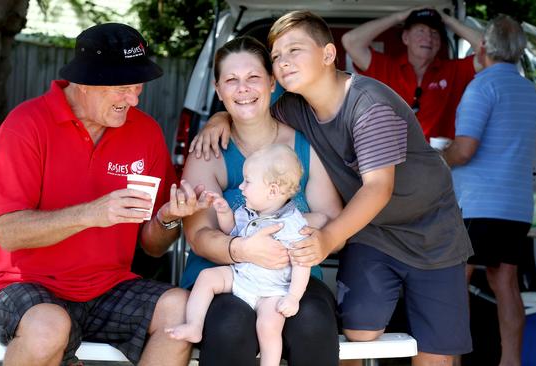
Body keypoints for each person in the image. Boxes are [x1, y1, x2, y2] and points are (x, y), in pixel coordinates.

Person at [191, 11, 474, 366]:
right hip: (371, 231)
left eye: (295, 50)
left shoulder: (369, 105)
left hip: (432, 231)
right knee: (357, 333)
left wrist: (326, 239)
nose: (283, 62)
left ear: (328, 55)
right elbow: (250, 109)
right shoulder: (294, 107)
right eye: (276, 56)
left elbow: (377, 189)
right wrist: (218, 118)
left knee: (436, 351)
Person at [0, 23, 206, 366]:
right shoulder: (26, 125)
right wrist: (91, 214)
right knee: (49, 326)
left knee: (182, 310)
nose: (134, 98)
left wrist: (168, 218)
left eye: (138, 86)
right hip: (22, 285)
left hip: (107, 288)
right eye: (123, 88)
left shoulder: (145, 132)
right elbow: (8, 233)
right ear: (84, 83)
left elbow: (153, 246)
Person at [180, 36, 343, 366]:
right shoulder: (209, 150)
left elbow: (332, 221)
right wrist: (243, 249)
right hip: (225, 274)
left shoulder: (303, 145)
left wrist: (299, 243)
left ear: (271, 82)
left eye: (253, 77)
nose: (243, 89)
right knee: (229, 325)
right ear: (218, 88)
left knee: (312, 320)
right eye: (231, 80)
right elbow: (199, 236)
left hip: (290, 278)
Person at [169, 144, 327, 366]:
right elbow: (233, 232)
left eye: (248, 181)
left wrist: (293, 297)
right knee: (207, 277)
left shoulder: (292, 224)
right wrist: (224, 214)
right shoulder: (247, 211)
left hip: (272, 290)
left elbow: (302, 263)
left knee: (269, 327)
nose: (241, 187)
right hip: (242, 276)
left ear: (272, 190)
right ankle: (194, 326)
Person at [443, 15, 536, 366]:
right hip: (515, 207)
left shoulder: (482, 86)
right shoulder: (529, 91)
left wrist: (436, 157)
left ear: (482, 48)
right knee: (507, 285)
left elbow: (465, 149)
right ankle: (511, 361)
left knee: (457, 283)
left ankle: (452, 361)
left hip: (476, 205)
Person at [341, 7, 482, 139]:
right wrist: (399, 16)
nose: (428, 38)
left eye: (434, 33)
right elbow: (350, 41)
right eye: (421, 30)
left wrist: (447, 19)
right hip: (393, 161)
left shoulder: (454, 70)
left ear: (440, 42)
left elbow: (488, 50)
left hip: (439, 161)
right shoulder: (387, 68)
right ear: (405, 37)